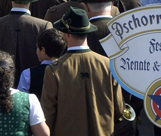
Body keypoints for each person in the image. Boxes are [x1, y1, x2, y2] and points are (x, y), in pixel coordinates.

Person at [40, 8, 125, 136]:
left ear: (67, 34)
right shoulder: (108, 65)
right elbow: (119, 108)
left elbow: (48, 113)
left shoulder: (54, 69)